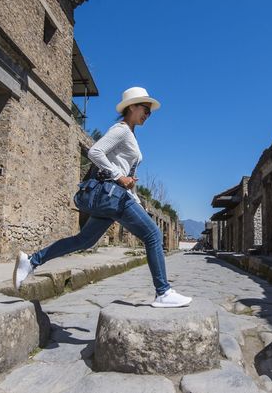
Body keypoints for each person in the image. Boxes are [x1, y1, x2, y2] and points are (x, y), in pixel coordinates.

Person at [12, 86, 192, 308]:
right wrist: (118, 177)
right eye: (145, 109)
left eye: (150, 112)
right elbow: (94, 152)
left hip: (116, 197)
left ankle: (31, 261)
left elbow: (126, 174)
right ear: (132, 107)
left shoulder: (130, 133)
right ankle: (163, 292)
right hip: (114, 196)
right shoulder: (122, 130)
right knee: (154, 235)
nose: (148, 114)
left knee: (84, 240)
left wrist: (132, 194)